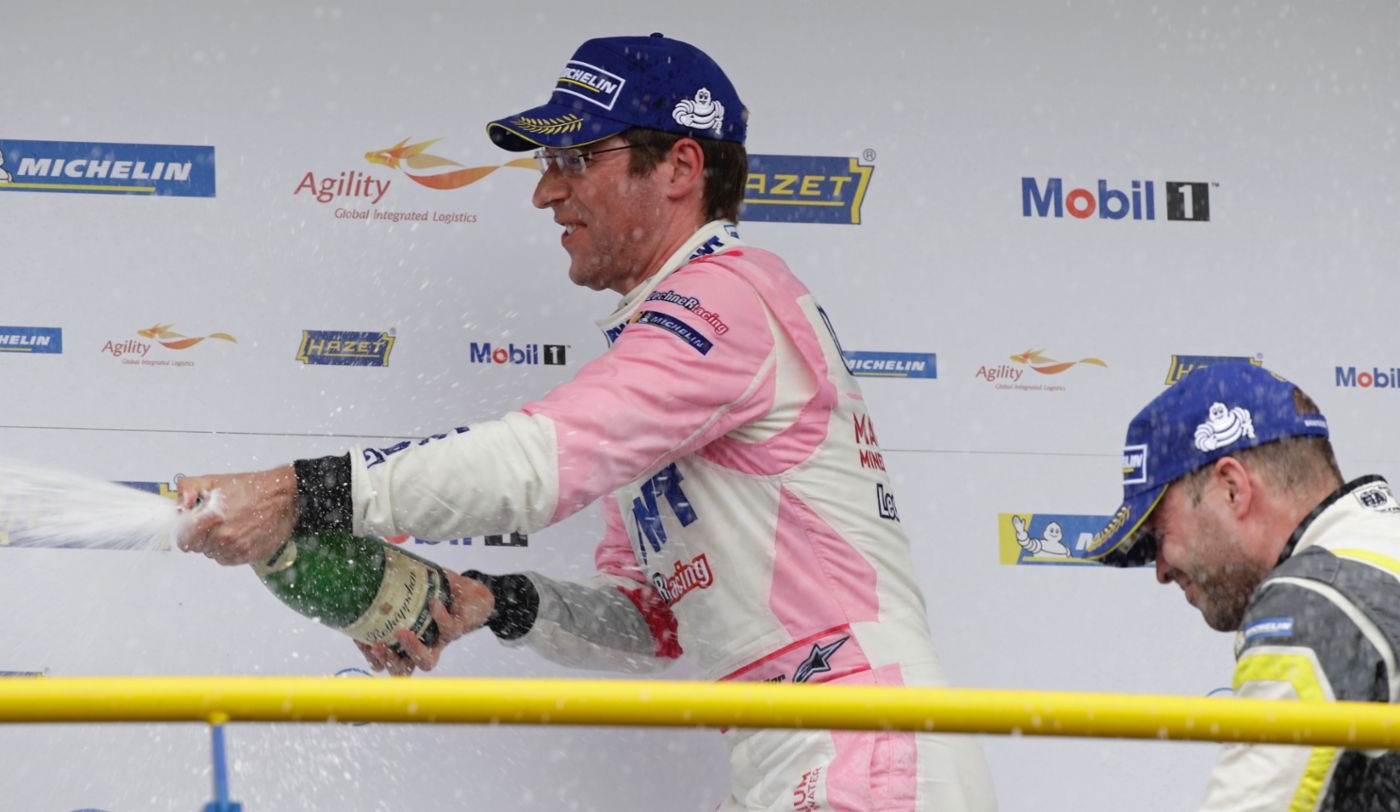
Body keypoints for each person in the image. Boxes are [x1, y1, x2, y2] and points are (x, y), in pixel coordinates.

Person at [178, 33, 995, 811]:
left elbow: (535, 464)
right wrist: (490, 601)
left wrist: (300, 492)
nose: (545, 189)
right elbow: (652, 622)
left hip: (861, 741)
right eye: (546, 161)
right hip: (803, 747)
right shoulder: (676, 337)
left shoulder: (724, 298)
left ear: (680, 167)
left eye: (575, 158)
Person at [1083, 363, 1400, 810]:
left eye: (1158, 534)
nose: (1160, 570)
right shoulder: (1376, 557)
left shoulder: (1313, 601)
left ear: (1232, 488)